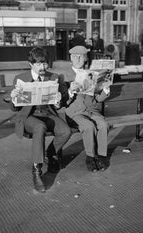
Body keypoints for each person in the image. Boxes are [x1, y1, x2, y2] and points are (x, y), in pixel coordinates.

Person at [10, 47, 71, 193]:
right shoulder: (21, 78)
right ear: (30, 64)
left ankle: (50, 154)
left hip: (47, 113)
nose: (42, 67)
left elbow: (60, 103)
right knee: (39, 127)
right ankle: (37, 170)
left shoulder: (53, 77)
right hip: (28, 116)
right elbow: (14, 108)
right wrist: (14, 99)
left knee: (65, 131)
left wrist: (58, 101)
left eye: (44, 64)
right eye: (38, 64)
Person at [65, 46, 111, 172]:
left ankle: (101, 156)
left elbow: (96, 99)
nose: (79, 59)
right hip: (75, 112)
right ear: (71, 58)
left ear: (85, 58)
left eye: (81, 56)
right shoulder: (65, 76)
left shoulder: (91, 74)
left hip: (91, 110)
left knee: (103, 124)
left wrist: (105, 89)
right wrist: (70, 92)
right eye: (75, 57)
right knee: (88, 126)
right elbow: (62, 102)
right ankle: (90, 157)